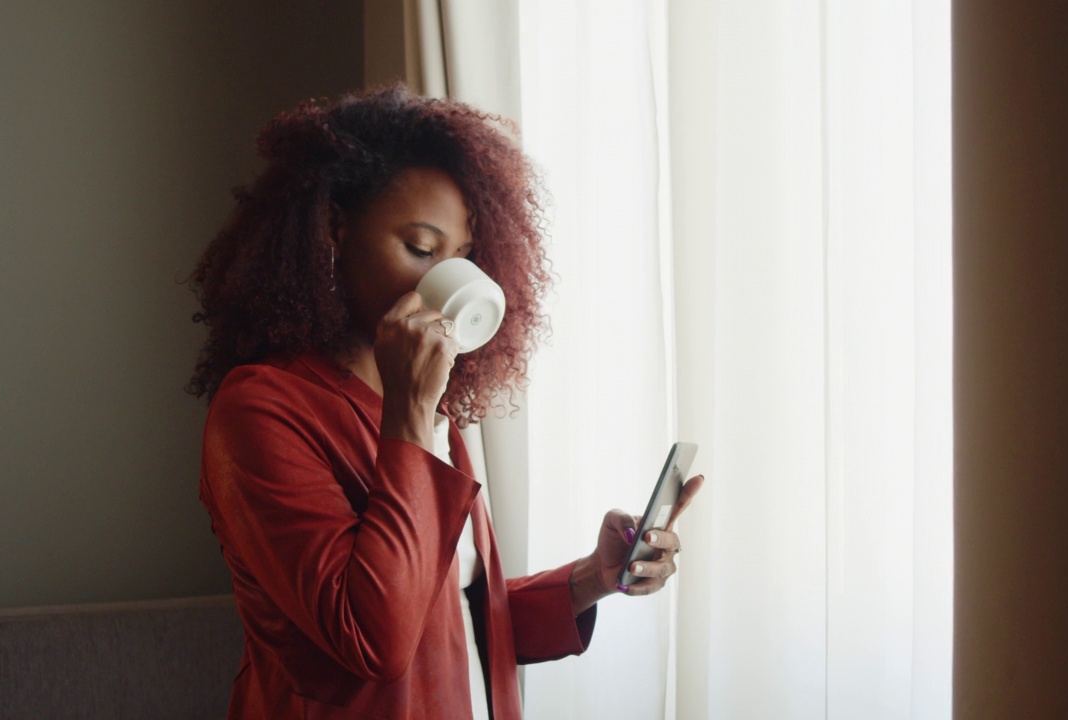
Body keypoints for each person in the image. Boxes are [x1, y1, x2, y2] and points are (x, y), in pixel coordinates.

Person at [187, 85, 703, 719]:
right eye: (421, 249)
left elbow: (455, 614)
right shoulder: (260, 411)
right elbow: (374, 636)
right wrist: (410, 413)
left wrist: (592, 578)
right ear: (334, 233)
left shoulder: (428, 412)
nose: (445, 281)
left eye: (459, 257)